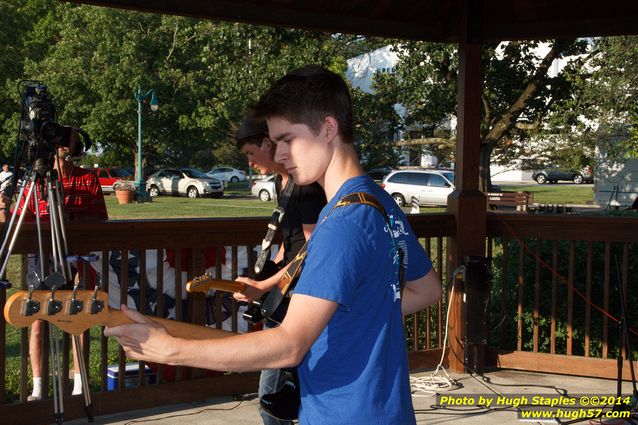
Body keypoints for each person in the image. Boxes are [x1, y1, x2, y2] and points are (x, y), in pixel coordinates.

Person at [105, 65, 441, 425]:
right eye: (274, 141)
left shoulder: (341, 224)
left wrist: (171, 350)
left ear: (328, 129)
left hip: (342, 413)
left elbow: (289, 344)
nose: (278, 154)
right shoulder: (377, 201)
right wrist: (345, 318)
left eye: (287, 139)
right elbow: (426, 289)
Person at [0, 129, 108, 401]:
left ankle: (80, 385)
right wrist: (3, 207)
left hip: (78, 256)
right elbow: (22, 219)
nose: (62, 151)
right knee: (37, 319)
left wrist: (70, 217)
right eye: (58, 145)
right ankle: (38, 388)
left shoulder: (89, 178)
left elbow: (100, 218)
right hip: (42, 255)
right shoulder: (37, 182)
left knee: (78, 318)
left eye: (66, 145)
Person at [233, 113, 326, 425]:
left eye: (249, 153)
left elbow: (312, 250)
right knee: (281, 397)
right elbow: (291, 240)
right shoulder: (281, 182)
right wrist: (266, 274)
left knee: (270, 402)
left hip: (301, 295)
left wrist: (265, 285)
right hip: (286, 289)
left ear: (265, 142)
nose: (249, 162)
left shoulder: (307, 186)